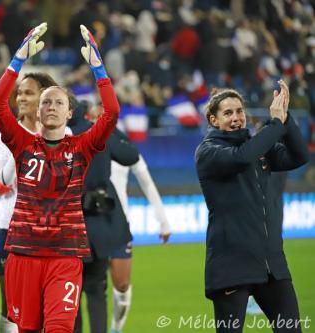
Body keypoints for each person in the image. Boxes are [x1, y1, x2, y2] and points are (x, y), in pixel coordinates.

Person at [0, 22, 120, 333]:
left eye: (58, 102)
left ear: (69, 113)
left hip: (65, 255)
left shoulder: (82, 147)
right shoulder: (21, 144)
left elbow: (112, 112)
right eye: (45, 101)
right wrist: (17, 60)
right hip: (22, 254)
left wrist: (99, 70)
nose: (50, 106)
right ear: (38, 112)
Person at [195, 81, 309, 333]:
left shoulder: (258, 148)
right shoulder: (208, 151)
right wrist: (275, 124)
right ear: (213, 120)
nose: (236, 118)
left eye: (239, 111)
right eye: (228, 113)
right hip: (232, 264)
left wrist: (285, 118)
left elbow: (299, 157)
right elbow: (242, 157)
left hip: (271, 264)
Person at [0, 72, 57, 333]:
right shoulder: (5, 133)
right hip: (12, 228)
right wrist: (20, 148)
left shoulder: (63, 132)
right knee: (11, 307)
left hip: (48, 228)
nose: (20, 98)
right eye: (19, 93)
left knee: (46, 306)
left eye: (28, 92)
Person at [68, 98, 139, 333]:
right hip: (101, 222)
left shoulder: (57, 137)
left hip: (69, 224)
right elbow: (130, 155)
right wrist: (108, 126)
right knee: (97, 290)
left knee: (71, 294)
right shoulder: (99, 133)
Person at [109, 156, 171, 333]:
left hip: (119, 226)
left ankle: (116, 328)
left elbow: (147, 183)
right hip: (87, 224)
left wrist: (163, 221)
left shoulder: (123, 145)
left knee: (122, 285)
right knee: (84, 284)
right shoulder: (77, 138)